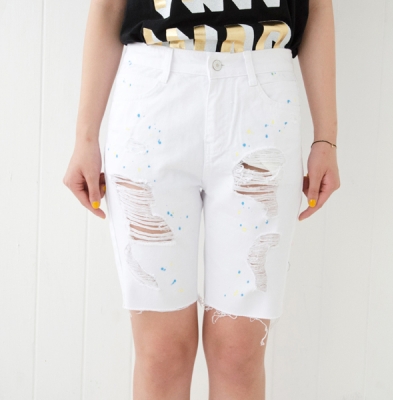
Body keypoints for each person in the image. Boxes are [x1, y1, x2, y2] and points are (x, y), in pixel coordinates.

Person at [63, 0, 340, 398]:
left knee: (239, 353)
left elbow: (317, 6)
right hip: (152, 104)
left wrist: (326, 137)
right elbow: (109, 7)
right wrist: (85, 137)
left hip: (262, 105)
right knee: (161, 353)